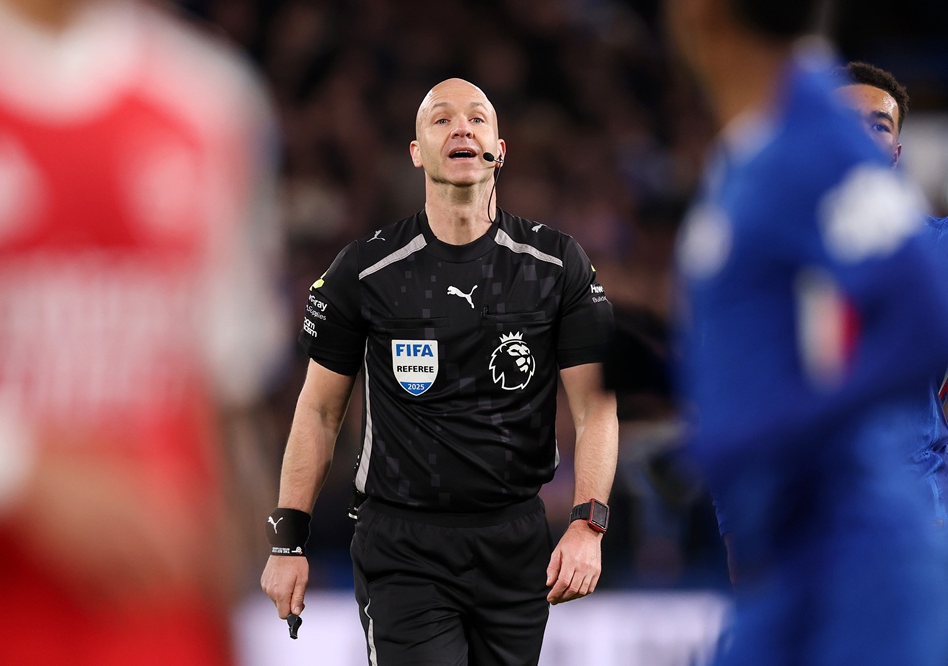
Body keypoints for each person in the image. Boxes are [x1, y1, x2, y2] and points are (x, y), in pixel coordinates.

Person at [0, 1, 285, 664]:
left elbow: (219, 399)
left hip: (155, 634)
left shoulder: (211, 101)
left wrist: (236, 597)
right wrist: (7, 472)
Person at [260, 77, 619, 665]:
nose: (462, 128)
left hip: (516, 543)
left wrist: (588, 524)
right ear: (416, 151)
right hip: (404, 549)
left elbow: (596, 406)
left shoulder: (556, 265)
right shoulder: (367, 270)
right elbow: (319, 411)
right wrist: (287, 540)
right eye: (441, 119)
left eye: (478, 119)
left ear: (500, 149)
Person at [663, 0, 948, 663]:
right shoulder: (758, 149)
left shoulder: (818, 138)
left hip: (859, 533)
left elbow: (924, 314)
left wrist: (781, 429)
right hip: (787, 535)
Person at [832, 61, 948, 528]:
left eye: (878, 126)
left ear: (896, 153)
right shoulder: (766, 254)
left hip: (918, 511)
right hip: (808, 520)